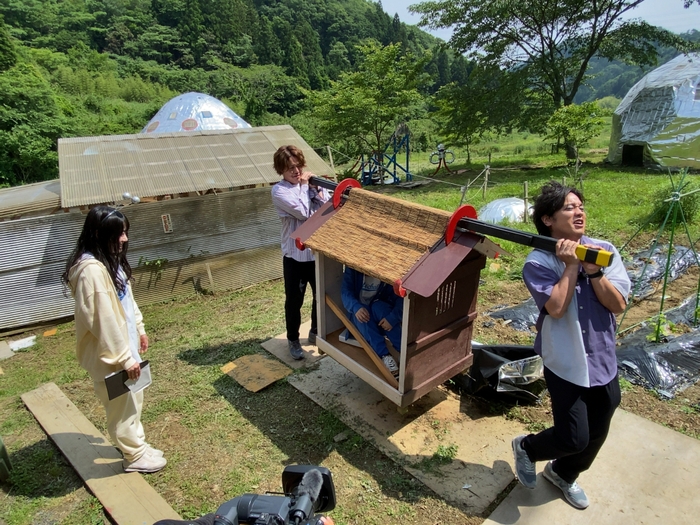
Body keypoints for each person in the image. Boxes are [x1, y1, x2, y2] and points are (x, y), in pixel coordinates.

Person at [511, 181, 630, 509]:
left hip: (602, 355)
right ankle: (529, 448)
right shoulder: (538, 262)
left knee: (598, 429)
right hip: (565, 359)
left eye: (580, 207)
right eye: (569, 207)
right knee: (573, 436)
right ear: (548, 219)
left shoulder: (604, 250)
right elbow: (556, 308)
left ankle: (564, 474)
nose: (579, 212)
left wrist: (594, 272)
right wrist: (572, 264)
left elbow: (618, 304)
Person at [62, 206, 166, 474]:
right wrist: (124, 357)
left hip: (125, 346)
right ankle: (134, 456)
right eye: (118, 233)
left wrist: (140, 329)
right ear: (98, 233)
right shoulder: (91, 271)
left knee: (135, 397)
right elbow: (103, 321)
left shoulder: (108, 260)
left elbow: (127, 301)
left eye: (125, 232)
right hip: (111, 356)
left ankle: (137, 445)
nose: (124, 239)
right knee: (121, 406)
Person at [271, 145, 329, 360]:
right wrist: (306, 186)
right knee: (294, 300)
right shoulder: (279, 191)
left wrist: (316, 189)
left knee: (320, 296)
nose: (296, 171)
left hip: (315, 252)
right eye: (290, 168)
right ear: (281, 171)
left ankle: (315, 331)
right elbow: (304, 213)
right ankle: (293, 339)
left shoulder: (310, 184)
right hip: (294, 256)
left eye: (298, 166)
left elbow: (326, 206)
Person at [341, 267, 403, 378]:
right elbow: (346, 292)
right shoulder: (353, 269)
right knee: (364, 316)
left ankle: (404, 351)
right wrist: (355, 307)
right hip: (361, 313)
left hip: (379, 310)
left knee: (380, 307)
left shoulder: (387, 272)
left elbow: (400, 298)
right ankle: (385, 355)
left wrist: (392, 319)